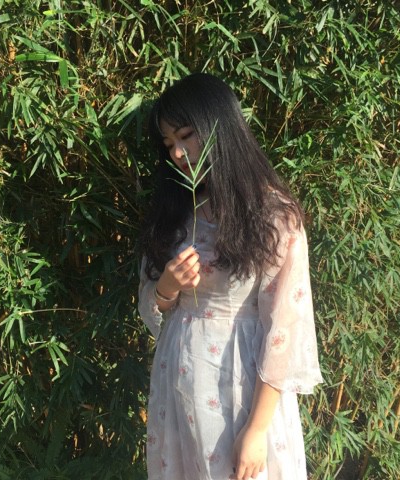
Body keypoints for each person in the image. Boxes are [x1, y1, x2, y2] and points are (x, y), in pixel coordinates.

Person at [138, 73, 323, 480]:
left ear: (219, 127)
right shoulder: (176, 211)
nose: (178, 153)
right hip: (177, 378)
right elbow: (153, 301)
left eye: (186, 136)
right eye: (168, 144)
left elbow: (284, 328)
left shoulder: (273, 216)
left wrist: (256, 431)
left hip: (240, 386)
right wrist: (168, 286)